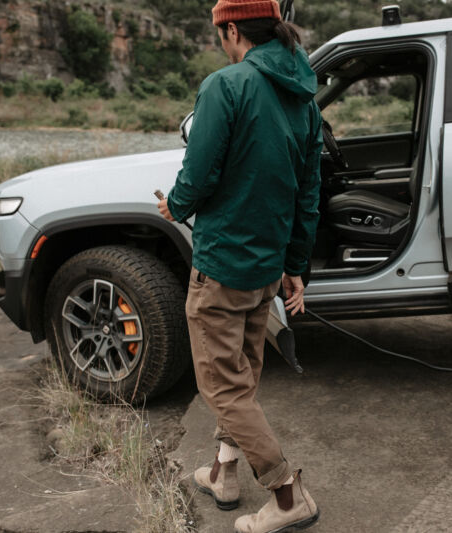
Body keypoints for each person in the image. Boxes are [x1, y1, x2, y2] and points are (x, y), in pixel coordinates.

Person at [156, 0, 322, 531]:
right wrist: (295, 264)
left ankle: (288, 495)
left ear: (231, 30)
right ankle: (223, 474)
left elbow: (199, 172)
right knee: (242, 378)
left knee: (223, 388)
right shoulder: (303, 96)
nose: (220, 44)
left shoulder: (226, 86)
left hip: (222, 267)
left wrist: (174, 206)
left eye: (219, 34)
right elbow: (307, 192)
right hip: (266, 270)